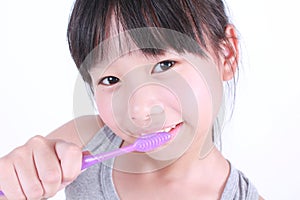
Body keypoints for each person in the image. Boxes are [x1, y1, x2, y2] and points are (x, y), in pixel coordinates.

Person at [0, 0, 263, 199]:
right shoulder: (85, 144)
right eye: (110, 80)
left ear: (226, 54)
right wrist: (13, 178)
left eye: (165, 64)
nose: (139, 111)